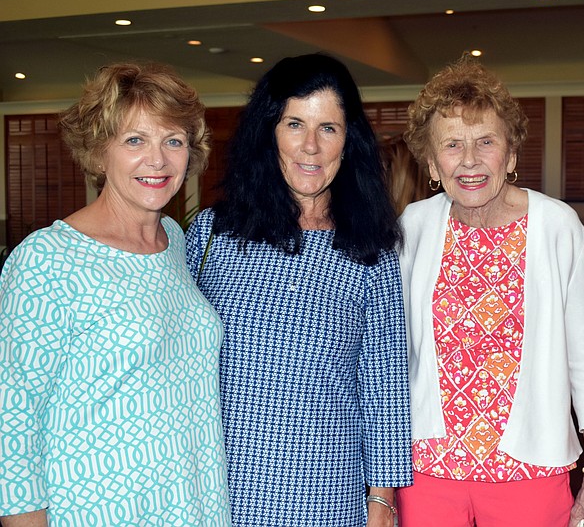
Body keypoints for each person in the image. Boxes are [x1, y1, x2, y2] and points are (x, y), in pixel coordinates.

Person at [185, 53, 412, 527]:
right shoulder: (211, 234)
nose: (310, 146)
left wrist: (383, 502)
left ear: (349, 142)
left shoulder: (370, 250)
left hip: (327, 493)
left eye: (328, 128)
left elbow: (385, 389)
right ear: (270, 133)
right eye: (294, 124)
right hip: (217, 491)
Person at [0, 63, 230, 525]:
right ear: (99, 150)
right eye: (134, 140)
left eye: (173, 140)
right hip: (99, 510)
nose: (158, 160)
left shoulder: (174, 240)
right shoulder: (47, 259)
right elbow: (13, 425)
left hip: (198, 505)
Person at [396, 56, 584, 527]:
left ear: (510, 155)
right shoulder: (414, 227)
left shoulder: (557, 226)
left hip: (530, 468)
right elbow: (393, 353)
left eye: (485, 142)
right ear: (432, 163)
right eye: (452, 145)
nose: (469, 160)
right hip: (427, 470)